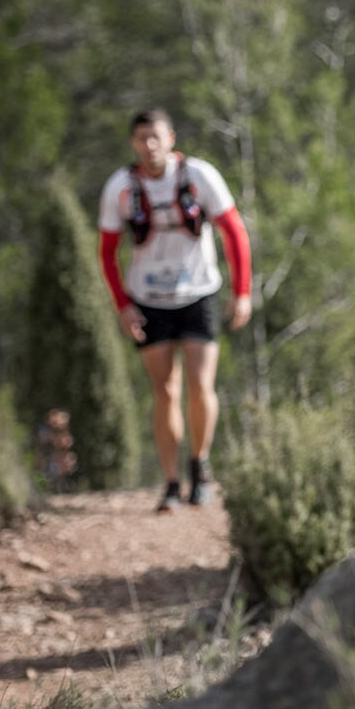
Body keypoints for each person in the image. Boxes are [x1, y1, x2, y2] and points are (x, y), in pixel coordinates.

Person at [97, 110, 253, 513]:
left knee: (201, 387)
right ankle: (170, 483)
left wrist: (242, 292)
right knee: (165, 390)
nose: (149, 145)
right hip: (148, 299)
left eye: (156, 136)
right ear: (133, 143)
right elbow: (108, 250)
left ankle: (200, 467)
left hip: (199, 293)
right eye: (141, 138)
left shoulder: (199, 176)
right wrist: (123, 306)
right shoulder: (121, 187)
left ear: (171, 138)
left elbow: (233, 231)